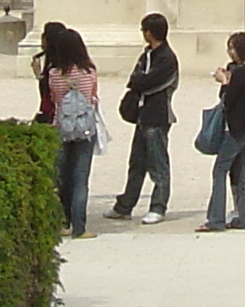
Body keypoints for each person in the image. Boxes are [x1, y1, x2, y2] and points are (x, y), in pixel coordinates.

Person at [107, 12, 179, 224]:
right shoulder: (147, 55)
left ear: (150, 32)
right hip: (142, 116)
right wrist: (138, 81)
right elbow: (135, 78)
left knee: (158, 165)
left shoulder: (167, 58)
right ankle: (125, 206)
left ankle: (158, 206)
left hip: (157, 116)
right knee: (136, 163)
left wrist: (139, 82)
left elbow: (149, 82)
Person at [200, 31, 245, 232]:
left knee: (220, 170)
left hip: (236, 129)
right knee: (241, 172)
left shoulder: (241, 73)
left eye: (233, 48)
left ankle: (216, 219)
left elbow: (227, 101)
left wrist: (224, 81)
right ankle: (243, 217)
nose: (230, 52)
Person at [42, 25, 103, 238]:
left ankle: (64, 221)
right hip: (85, 128)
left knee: (63, 177)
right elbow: (94, 98)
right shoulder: (89, 72)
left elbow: (53, 98)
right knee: (81, 178)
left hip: (61, 126)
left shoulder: (54, 74)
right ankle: (80, 226)